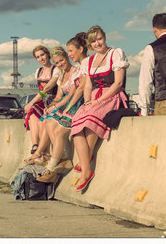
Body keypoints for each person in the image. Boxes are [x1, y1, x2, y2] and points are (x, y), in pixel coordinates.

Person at [70, 26, 129, 192]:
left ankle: (85, 169)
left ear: (105, 37)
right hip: (94, 98)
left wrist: (98, 102)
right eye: (93, 41)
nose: (97, 43)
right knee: (76, 123)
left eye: (100, 39)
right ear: (89, 44)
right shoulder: (88, 62)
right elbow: (88, 85)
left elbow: (117, 84)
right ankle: (87, 158)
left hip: (112, 96)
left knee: (89, 121)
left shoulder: (115, 53)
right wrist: (88, 101)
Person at [38, 34, 89, 182]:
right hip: (67, 103)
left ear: (66, 57)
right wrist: (52, 106)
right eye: (57, 62)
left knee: (59, 132)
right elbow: (59, 96)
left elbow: (73, 94)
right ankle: (62, 157)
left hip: (75, 104)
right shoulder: (61, 74)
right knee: (47, 122)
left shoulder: (77, 70)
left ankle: (52, 166)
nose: (60, 64)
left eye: (61, 60)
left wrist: (60, 107)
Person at [24, 46, 69, 165]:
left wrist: (31, 102)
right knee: (32, 112)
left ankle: (44, 153)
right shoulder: (38, 71)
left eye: (42, 55)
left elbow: (47, 87)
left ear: (47, 54)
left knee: (41, 118)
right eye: (38, 57)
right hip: (43, 101)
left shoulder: (55, 69)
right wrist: (32, 104)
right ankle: (35, 145)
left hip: (53, 99)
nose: (41, 58)